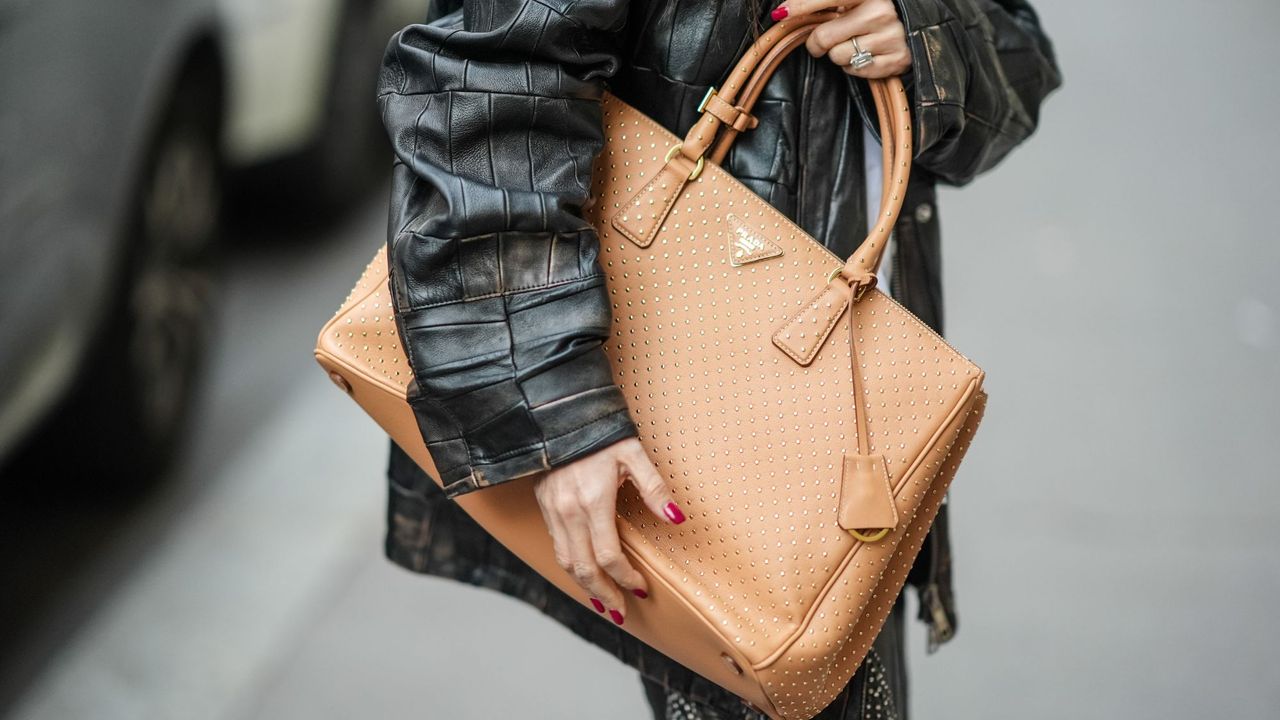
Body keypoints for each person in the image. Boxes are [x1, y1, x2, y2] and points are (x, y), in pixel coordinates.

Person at [376, 0, 1061, 717]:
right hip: (663, 391)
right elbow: (483, 77)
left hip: (845, 393)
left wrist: (924, 33)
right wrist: (551, 405)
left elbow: (1023, 58)